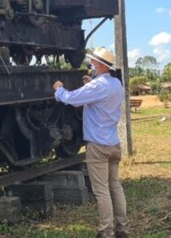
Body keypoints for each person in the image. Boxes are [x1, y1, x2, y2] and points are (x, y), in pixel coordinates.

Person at [52, 47, 129, 238]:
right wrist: (90, 83)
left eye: (93, 62)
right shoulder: (116, 84)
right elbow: (94, 97)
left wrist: (58, 89)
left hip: (98, 145)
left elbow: (71, 99)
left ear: (101, 65)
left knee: (101, 190)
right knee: (115, 186)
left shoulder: (97, 86)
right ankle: (123, 229)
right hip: (113, 144)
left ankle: (106, 232)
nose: (91, 65)